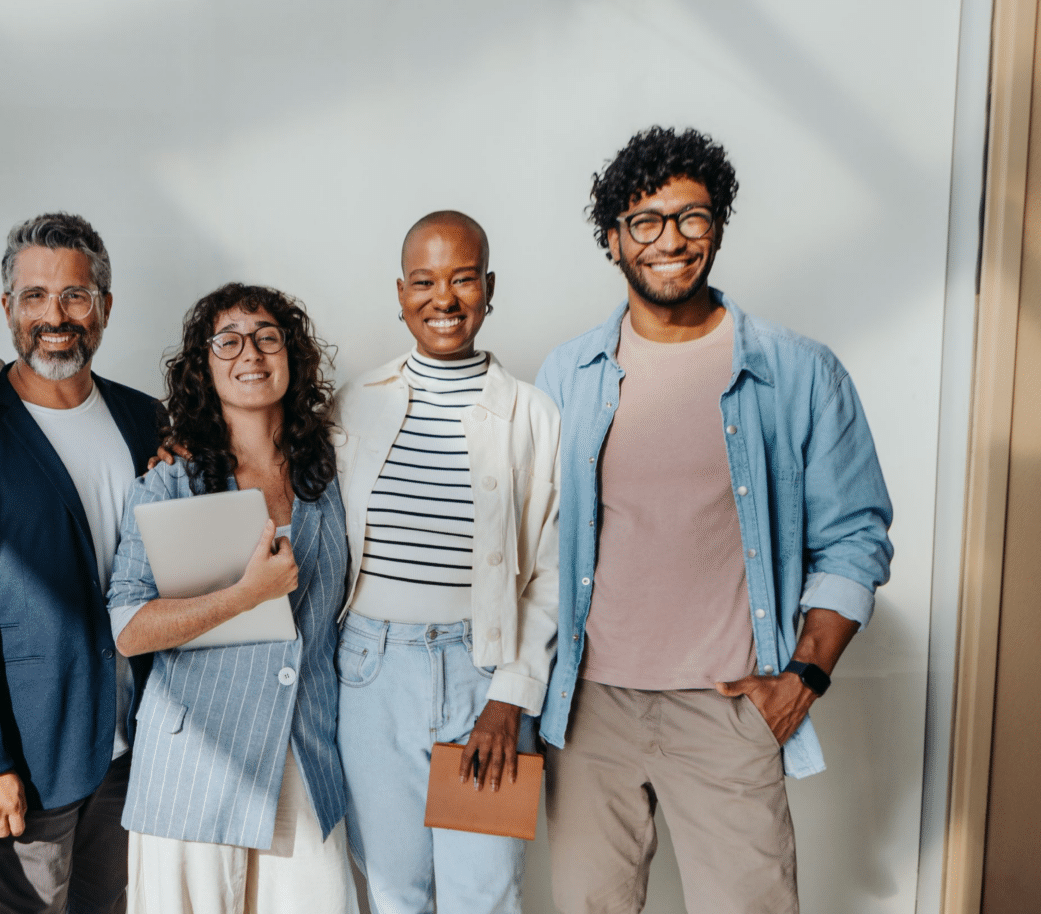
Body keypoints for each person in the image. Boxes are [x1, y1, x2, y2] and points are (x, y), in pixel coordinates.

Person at [535, 127, 895, 914]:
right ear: (613, 239)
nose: (671, 240)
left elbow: (857, 537)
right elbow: (527, 540)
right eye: (646, 221)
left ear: (719, 226)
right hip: (589, 707)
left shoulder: (797, 371)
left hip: (730, 706)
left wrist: (803, 678)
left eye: (692, 217)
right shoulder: (568, 373)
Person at [0, 213, 159, 914]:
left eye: (76, 295)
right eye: (34, 297)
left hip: (130, 750)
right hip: (28, 760)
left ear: (105, 308)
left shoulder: (147, 421)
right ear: (7, 309)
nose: (55, 316)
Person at [329, 211, 562, 913]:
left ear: (489, 288)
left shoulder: (533, 414)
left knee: (484, 895)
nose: (444, 298)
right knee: (397, 891)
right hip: (371, 676)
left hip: (482, 674)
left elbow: (548, 572)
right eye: (425, 281)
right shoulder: (353, 404)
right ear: (400, 294)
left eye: (463, 279)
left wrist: (508, 699)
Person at [106, 283, 352, 913]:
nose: (251, 352)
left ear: (292, 356)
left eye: (268, 336)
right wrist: (245, 596)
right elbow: (128, 627)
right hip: (194, 766)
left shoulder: (329, 476)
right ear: (204, 366)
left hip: (302, 757)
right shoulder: (168, 482)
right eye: (229, 341)